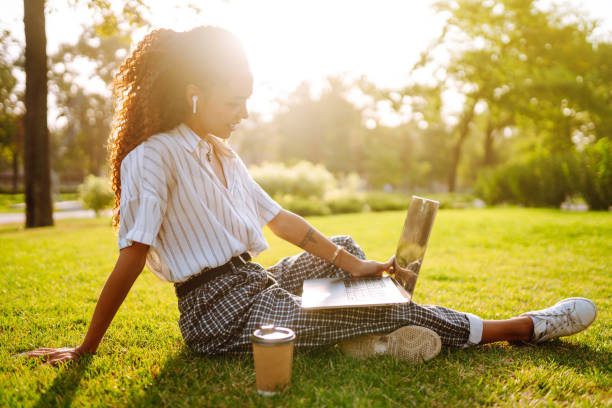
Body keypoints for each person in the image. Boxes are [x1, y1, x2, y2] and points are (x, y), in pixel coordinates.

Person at [27, 26, 597, 366]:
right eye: (234, 102)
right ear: (195, 95)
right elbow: (131, 255)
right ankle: (519, 328)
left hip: (254, 285)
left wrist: (357, 263)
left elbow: (285, 223)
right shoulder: (152, 156)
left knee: (345, 247)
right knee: (381, 301)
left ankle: (366, 339)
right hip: (215, 315)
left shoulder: (221, 153)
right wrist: (85, 348)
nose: (245, 113)